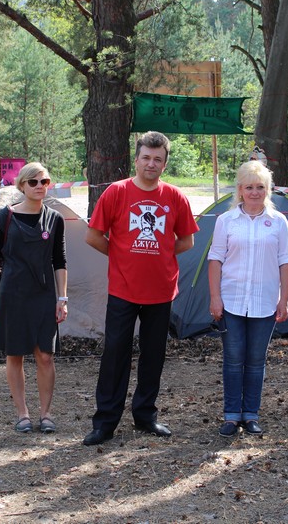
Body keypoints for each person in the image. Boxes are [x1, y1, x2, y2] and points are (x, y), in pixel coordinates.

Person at [83, 131, 199, 446]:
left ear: (165, 164)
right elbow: (93, 236)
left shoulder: (175, 197)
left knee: (153, 355)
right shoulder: (116, 192)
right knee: (115, 354)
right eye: (146, 157)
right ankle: (105, 422)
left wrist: (162, 253)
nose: (151, 163)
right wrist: (120, 254)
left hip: (161, 290)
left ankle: (145, 415)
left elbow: (187, 241)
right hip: (123, 289)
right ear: (136, 160)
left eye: (157, 159)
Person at [208, 161, 288, 438]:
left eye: (260, 187)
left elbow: (285, 263)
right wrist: (215, 298)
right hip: (231, 302)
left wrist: (284, 300)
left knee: (256, 361)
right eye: (249, 187)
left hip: (265, 303)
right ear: (240, 190)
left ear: (268, 190)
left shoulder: (279, 222)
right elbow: (215, 260)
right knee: (233, 360)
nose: (255, 192)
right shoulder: (226, 221)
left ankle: (251, 415)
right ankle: (231, 416)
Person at [0, 162, 68, 434]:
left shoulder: (55, 219)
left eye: (44, 182)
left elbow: (60, 260)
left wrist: (63, 298)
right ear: (21, 185)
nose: (39, 187)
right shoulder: (5, 216)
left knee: (45, 355)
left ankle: (46, 414)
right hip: (13, 293)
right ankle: (22, 414)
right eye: (33, 182)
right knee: (15, 354)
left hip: (43, 295)